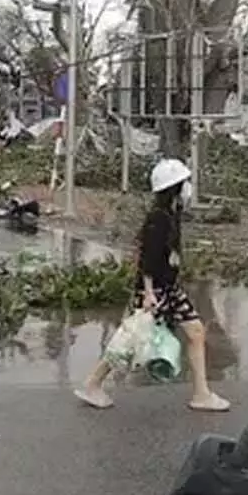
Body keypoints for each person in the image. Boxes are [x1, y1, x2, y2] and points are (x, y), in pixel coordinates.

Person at [75, 157, 230, 412]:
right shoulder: (158, 219)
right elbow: (147, 259)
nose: (188, 187)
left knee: (195, 332)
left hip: (169, 288)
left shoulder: (170, 215)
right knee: (129, 340)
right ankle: (93, 383)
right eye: (184, 183)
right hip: (155, 291)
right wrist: (147, 293)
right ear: (175, 187)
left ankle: (202, 394)